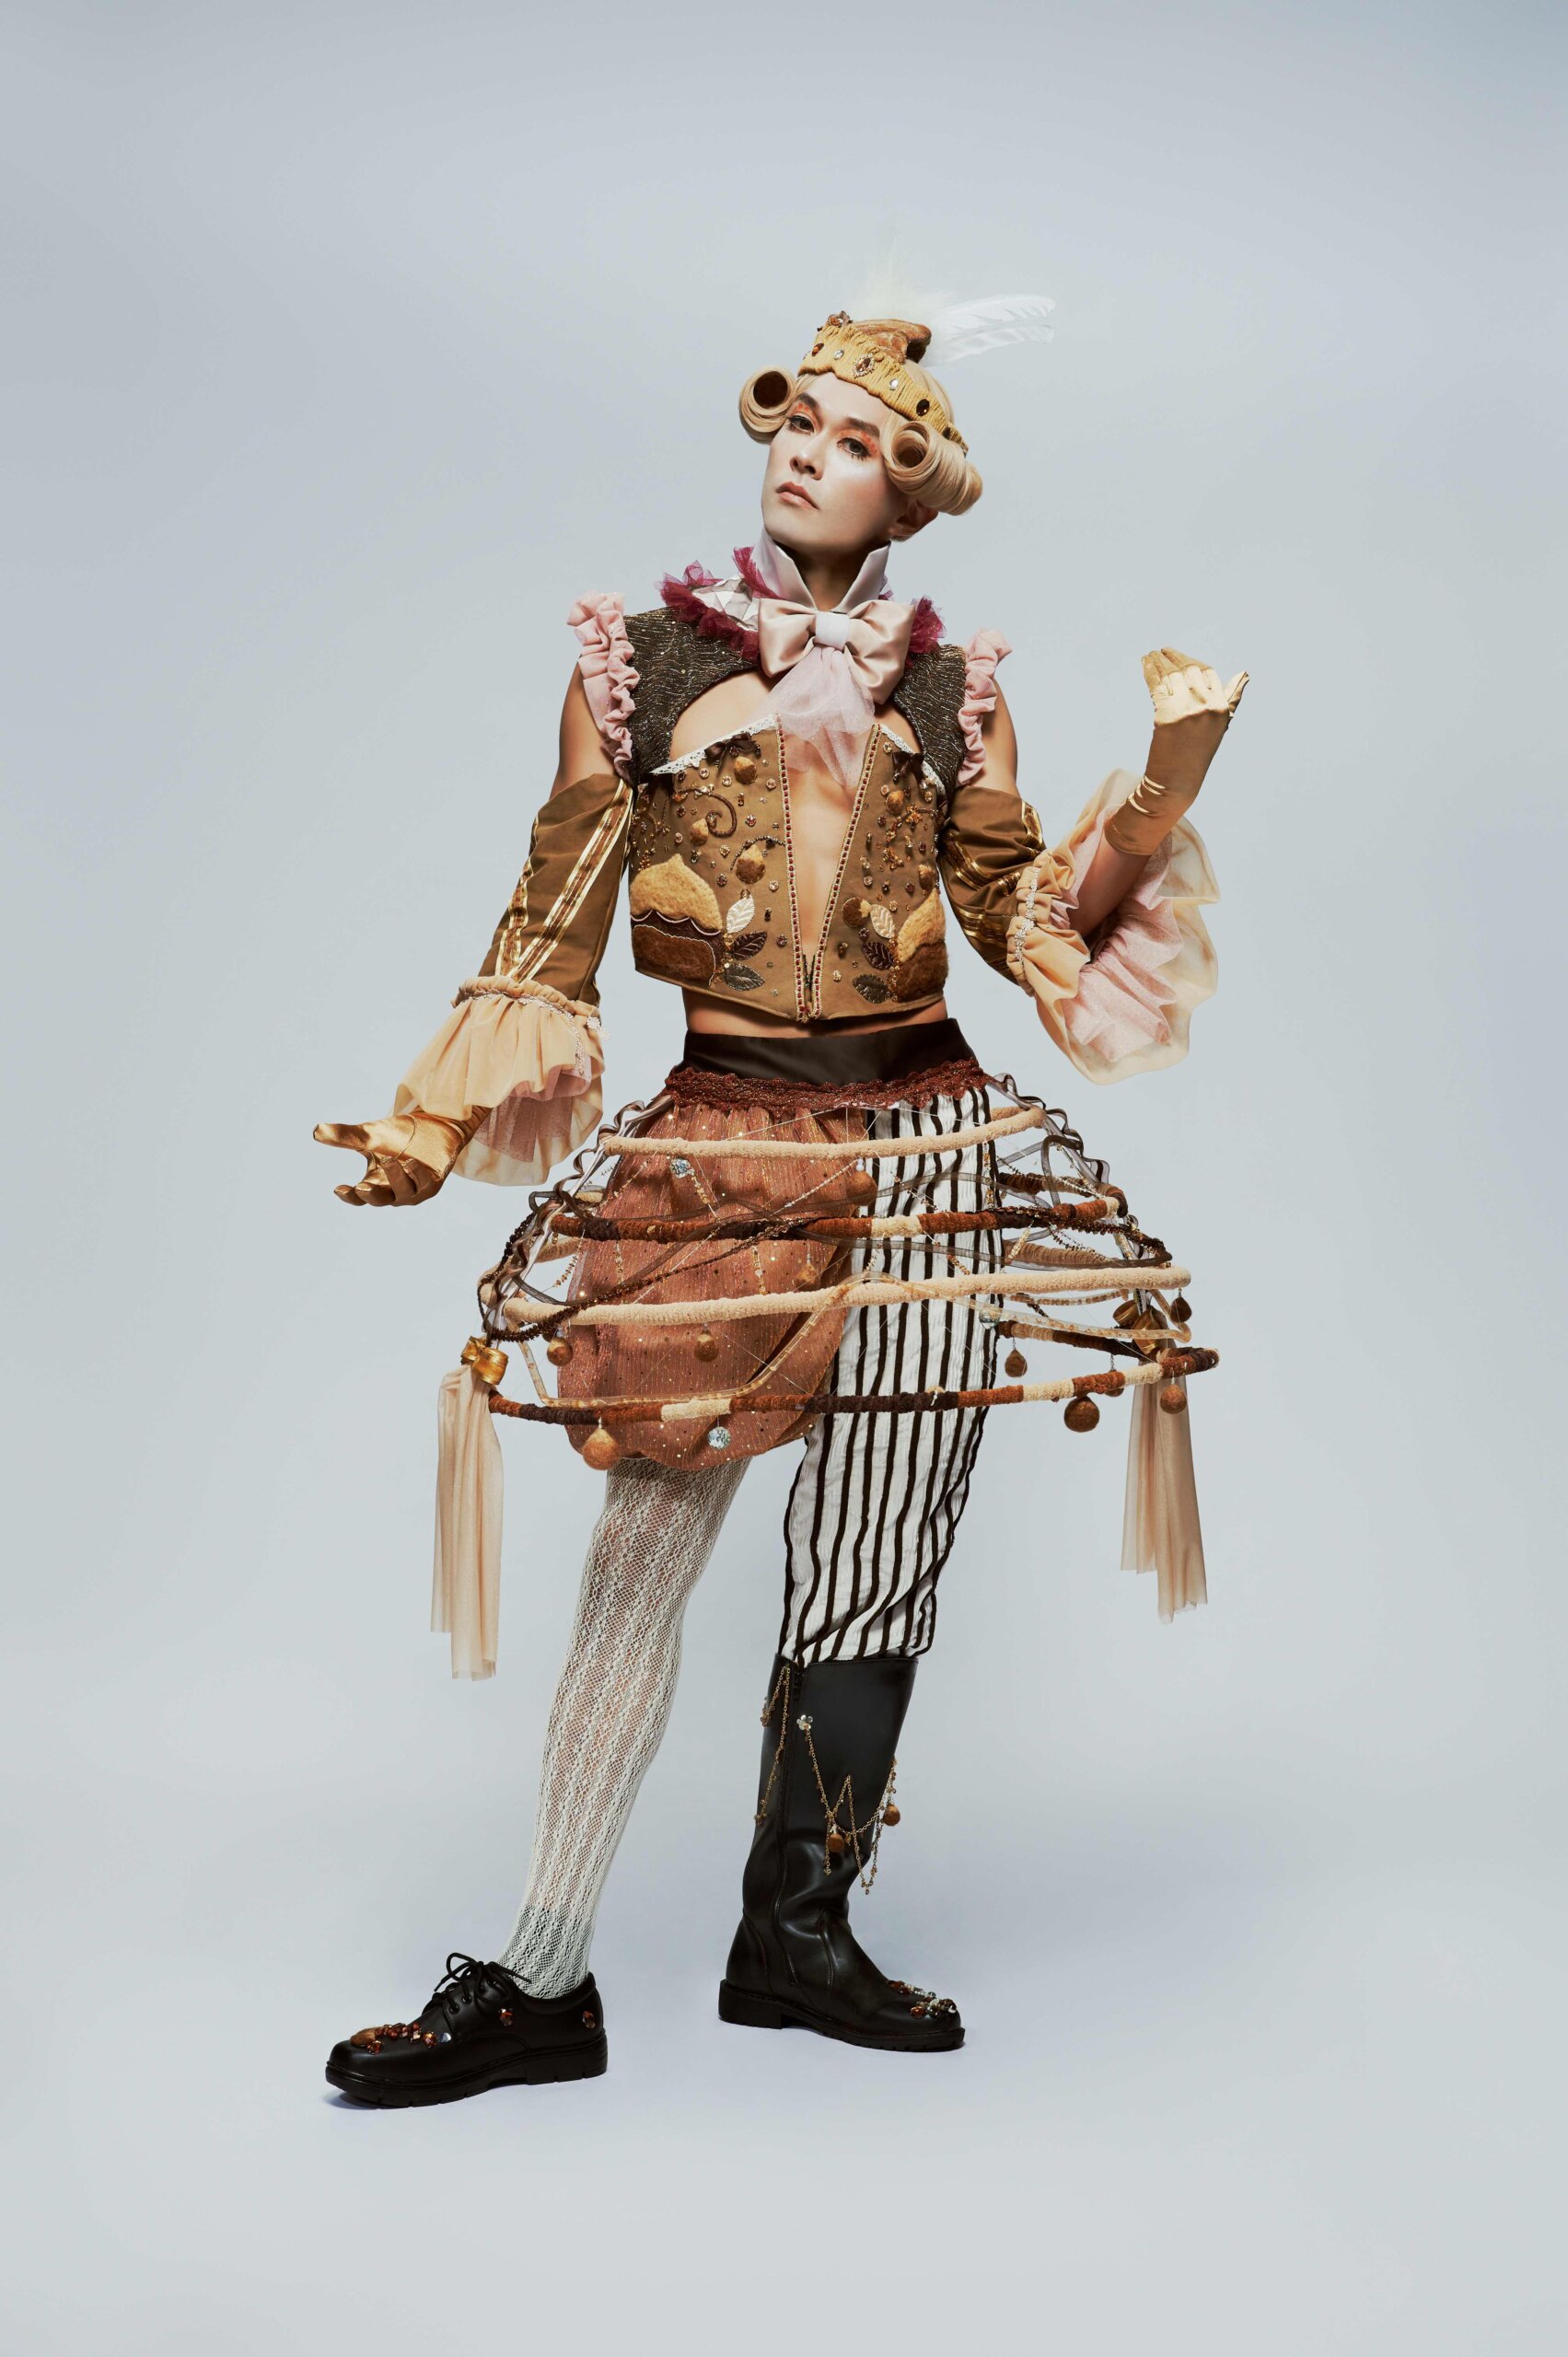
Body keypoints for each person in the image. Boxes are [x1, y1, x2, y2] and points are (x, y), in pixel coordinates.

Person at [315, 308, 1245, 2106]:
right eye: (797, 422)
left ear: (915, 489)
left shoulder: (955, 687)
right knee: (644, 1550)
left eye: (856, 438)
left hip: (927, 1145)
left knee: (881, 1547)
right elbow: (552, 916)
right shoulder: (638, 662)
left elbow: (1029, 929)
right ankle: (540, 1973)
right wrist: (436, 1117)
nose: (810, 452)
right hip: (727, 1143)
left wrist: (1164, 783)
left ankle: (795, 1934)